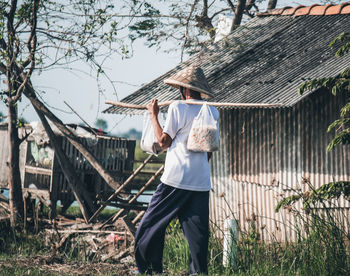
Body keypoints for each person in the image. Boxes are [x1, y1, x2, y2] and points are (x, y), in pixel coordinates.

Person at [134, 65, 219, 275]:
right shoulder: (213, 111)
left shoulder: (177, 108)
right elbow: (208, 150)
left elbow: (163, 143)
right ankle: (198, 273)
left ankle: (150, 270)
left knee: (149, 227)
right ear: (199, 90)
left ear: (185, 90)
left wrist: (154, 115)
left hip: (175, 180)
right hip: (200, 181)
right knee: (197, 236)